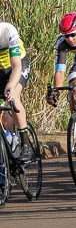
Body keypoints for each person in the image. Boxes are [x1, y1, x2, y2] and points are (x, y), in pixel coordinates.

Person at [0, 21, 33, 158]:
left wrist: (10, 86)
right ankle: (7, 142)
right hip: (1, 71)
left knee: (12, 96)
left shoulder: (7, 30)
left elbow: (16, 66)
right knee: (3, 115)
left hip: (18, 65)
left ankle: (25, 142)